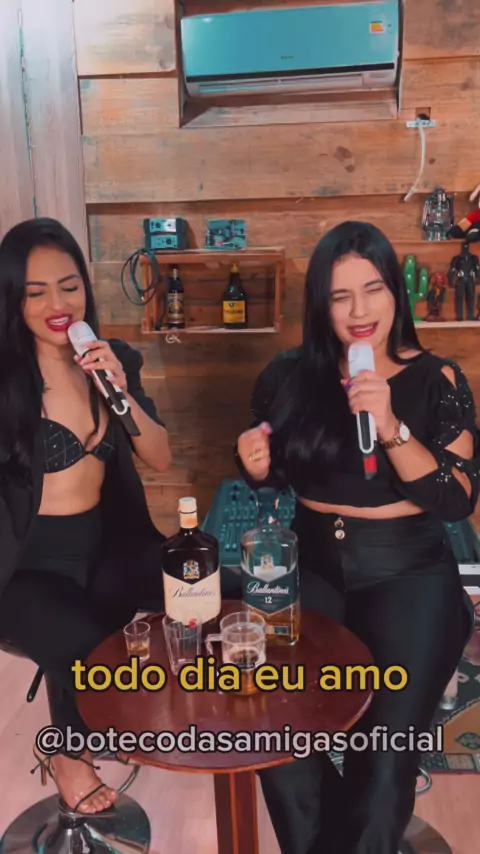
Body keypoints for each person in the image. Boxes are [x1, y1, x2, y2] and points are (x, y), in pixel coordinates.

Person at [235, 221, 479, 854]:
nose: (359, 310)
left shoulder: (438, 380)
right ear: (321, 305)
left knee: (382, 763)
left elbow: (456, 498)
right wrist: (255, 464)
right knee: (276, 736)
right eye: (340, 296)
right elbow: (276, 471)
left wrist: (390, 423)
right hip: (311, 572)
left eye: (372, 289)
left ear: (395, 292)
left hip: (410, 577)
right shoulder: (288, 378)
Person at [0, 218, 171, 815]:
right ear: (12, 299)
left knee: (207, 584)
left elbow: (159, 455)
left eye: (69, 286)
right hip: (24, 565)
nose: (57, 304)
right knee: (92, 650)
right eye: (35, 292)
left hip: (107, 545)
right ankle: (68, 755)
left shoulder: (111, 359)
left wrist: (118, 391)